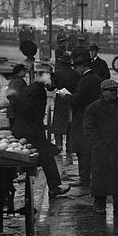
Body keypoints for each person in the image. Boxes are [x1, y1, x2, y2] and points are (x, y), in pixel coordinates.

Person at [12, 66, 70, 199]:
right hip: (30, 131)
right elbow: (35, 114)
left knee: (42, 157)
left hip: (20, 128)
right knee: (47, 157)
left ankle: (54, 187)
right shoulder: (39, 91)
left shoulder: (29, 88)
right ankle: (54, 188)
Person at [83, 79, 118, 214]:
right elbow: (89, 128)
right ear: (103, 92)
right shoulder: (93, 108)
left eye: (115, 90)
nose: (114, 92)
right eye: (110, 90)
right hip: (103, 148)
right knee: (101, 178)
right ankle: (99, 203)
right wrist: (98, 143)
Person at [57, 51, 102, 187]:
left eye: (76, 67)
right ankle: (92, 175)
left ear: (82, 66)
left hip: (83, 118)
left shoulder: (84, 81)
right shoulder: (97, 79)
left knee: (83, 150)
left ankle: (84, 178)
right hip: (95, 118)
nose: (75, 70)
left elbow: (77, 100)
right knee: (91, 149)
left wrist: (66, 97)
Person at [50, 53, 80, 163]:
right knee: (70, 125)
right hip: (71, 101)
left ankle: (58, 147)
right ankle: (69, 151)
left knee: (58, 125)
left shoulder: (57, 74)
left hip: (60, 101)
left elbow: (52, 87)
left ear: (62, 63)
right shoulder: (76, 74)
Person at [5, 64, 28, 130]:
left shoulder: (13, 80)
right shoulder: (18, 82)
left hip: (13, 110)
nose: (25, 73)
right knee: (17, 131)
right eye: (24, 71)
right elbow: (17, 96)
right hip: (16, 111)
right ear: (20, 71)